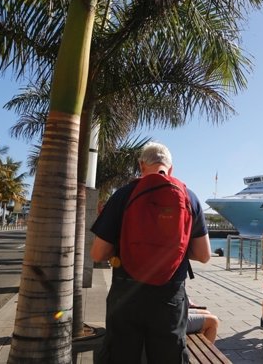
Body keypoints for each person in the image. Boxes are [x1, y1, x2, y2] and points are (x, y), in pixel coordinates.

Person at [90, 141, 212, 363]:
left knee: (121, 356)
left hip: (126, 294)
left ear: (141, 165)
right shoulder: (189, 197)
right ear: (170, 168)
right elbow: (204, 255)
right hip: (170, 297)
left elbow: (98, 253)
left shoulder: (123, 195)